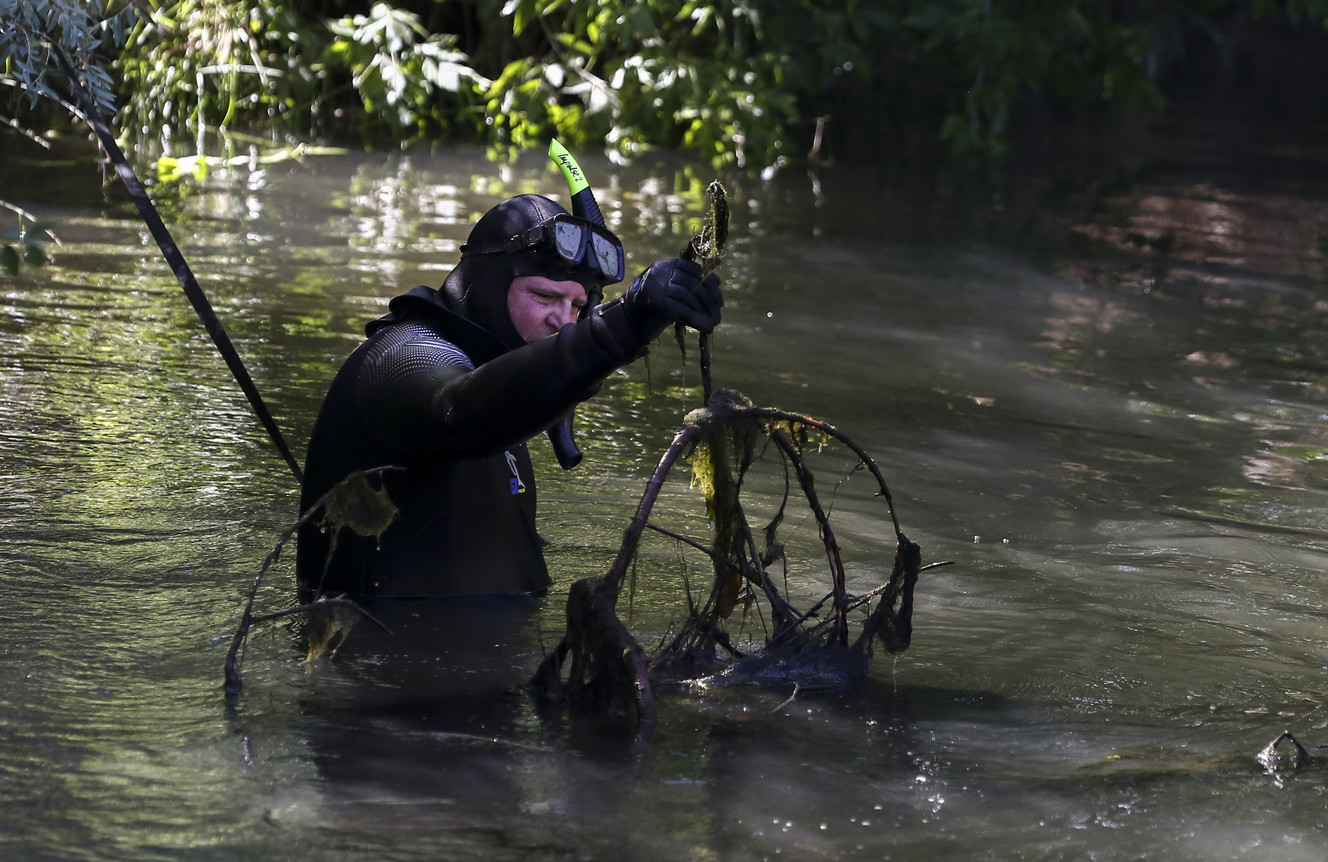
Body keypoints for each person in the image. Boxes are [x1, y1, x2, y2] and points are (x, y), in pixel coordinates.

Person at [296, 193, 722, 599]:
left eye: (576, 307)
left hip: (500, 655)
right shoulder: (399, 358)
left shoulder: (503, 381)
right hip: (388, 664)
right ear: (485, 286)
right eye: (543, 296)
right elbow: (458, 410)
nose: (563, 322)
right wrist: (619, 326)